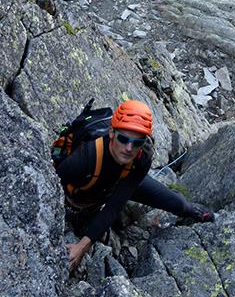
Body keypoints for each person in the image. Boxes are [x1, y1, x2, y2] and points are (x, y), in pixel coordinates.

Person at [56, 100, 214, 270]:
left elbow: (115, 204)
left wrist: (82, 246)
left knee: (178, 204)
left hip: (118, 182)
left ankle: (198, 212)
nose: (129, 148)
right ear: (111, 133)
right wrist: (81, 244)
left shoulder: (142, 156)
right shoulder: (85, 156)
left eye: (137, 142)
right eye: (123, 139)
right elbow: (54, 184)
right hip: (84, 192)